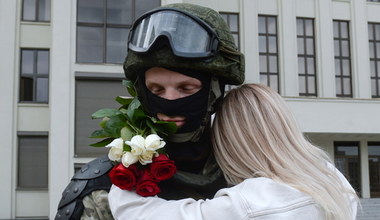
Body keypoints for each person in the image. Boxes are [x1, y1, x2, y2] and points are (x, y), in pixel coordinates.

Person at [55, 3, 244, 219]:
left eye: (185, 88)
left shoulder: (251, 176)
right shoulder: (101, 190)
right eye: (156, 89)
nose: (170, 101)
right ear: (142, 93)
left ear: (214, 92)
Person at [108, 84, 359, 220]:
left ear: (230, 142)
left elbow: (139, 214)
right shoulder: (332, 180)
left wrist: (129, 161)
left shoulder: (253, 202)